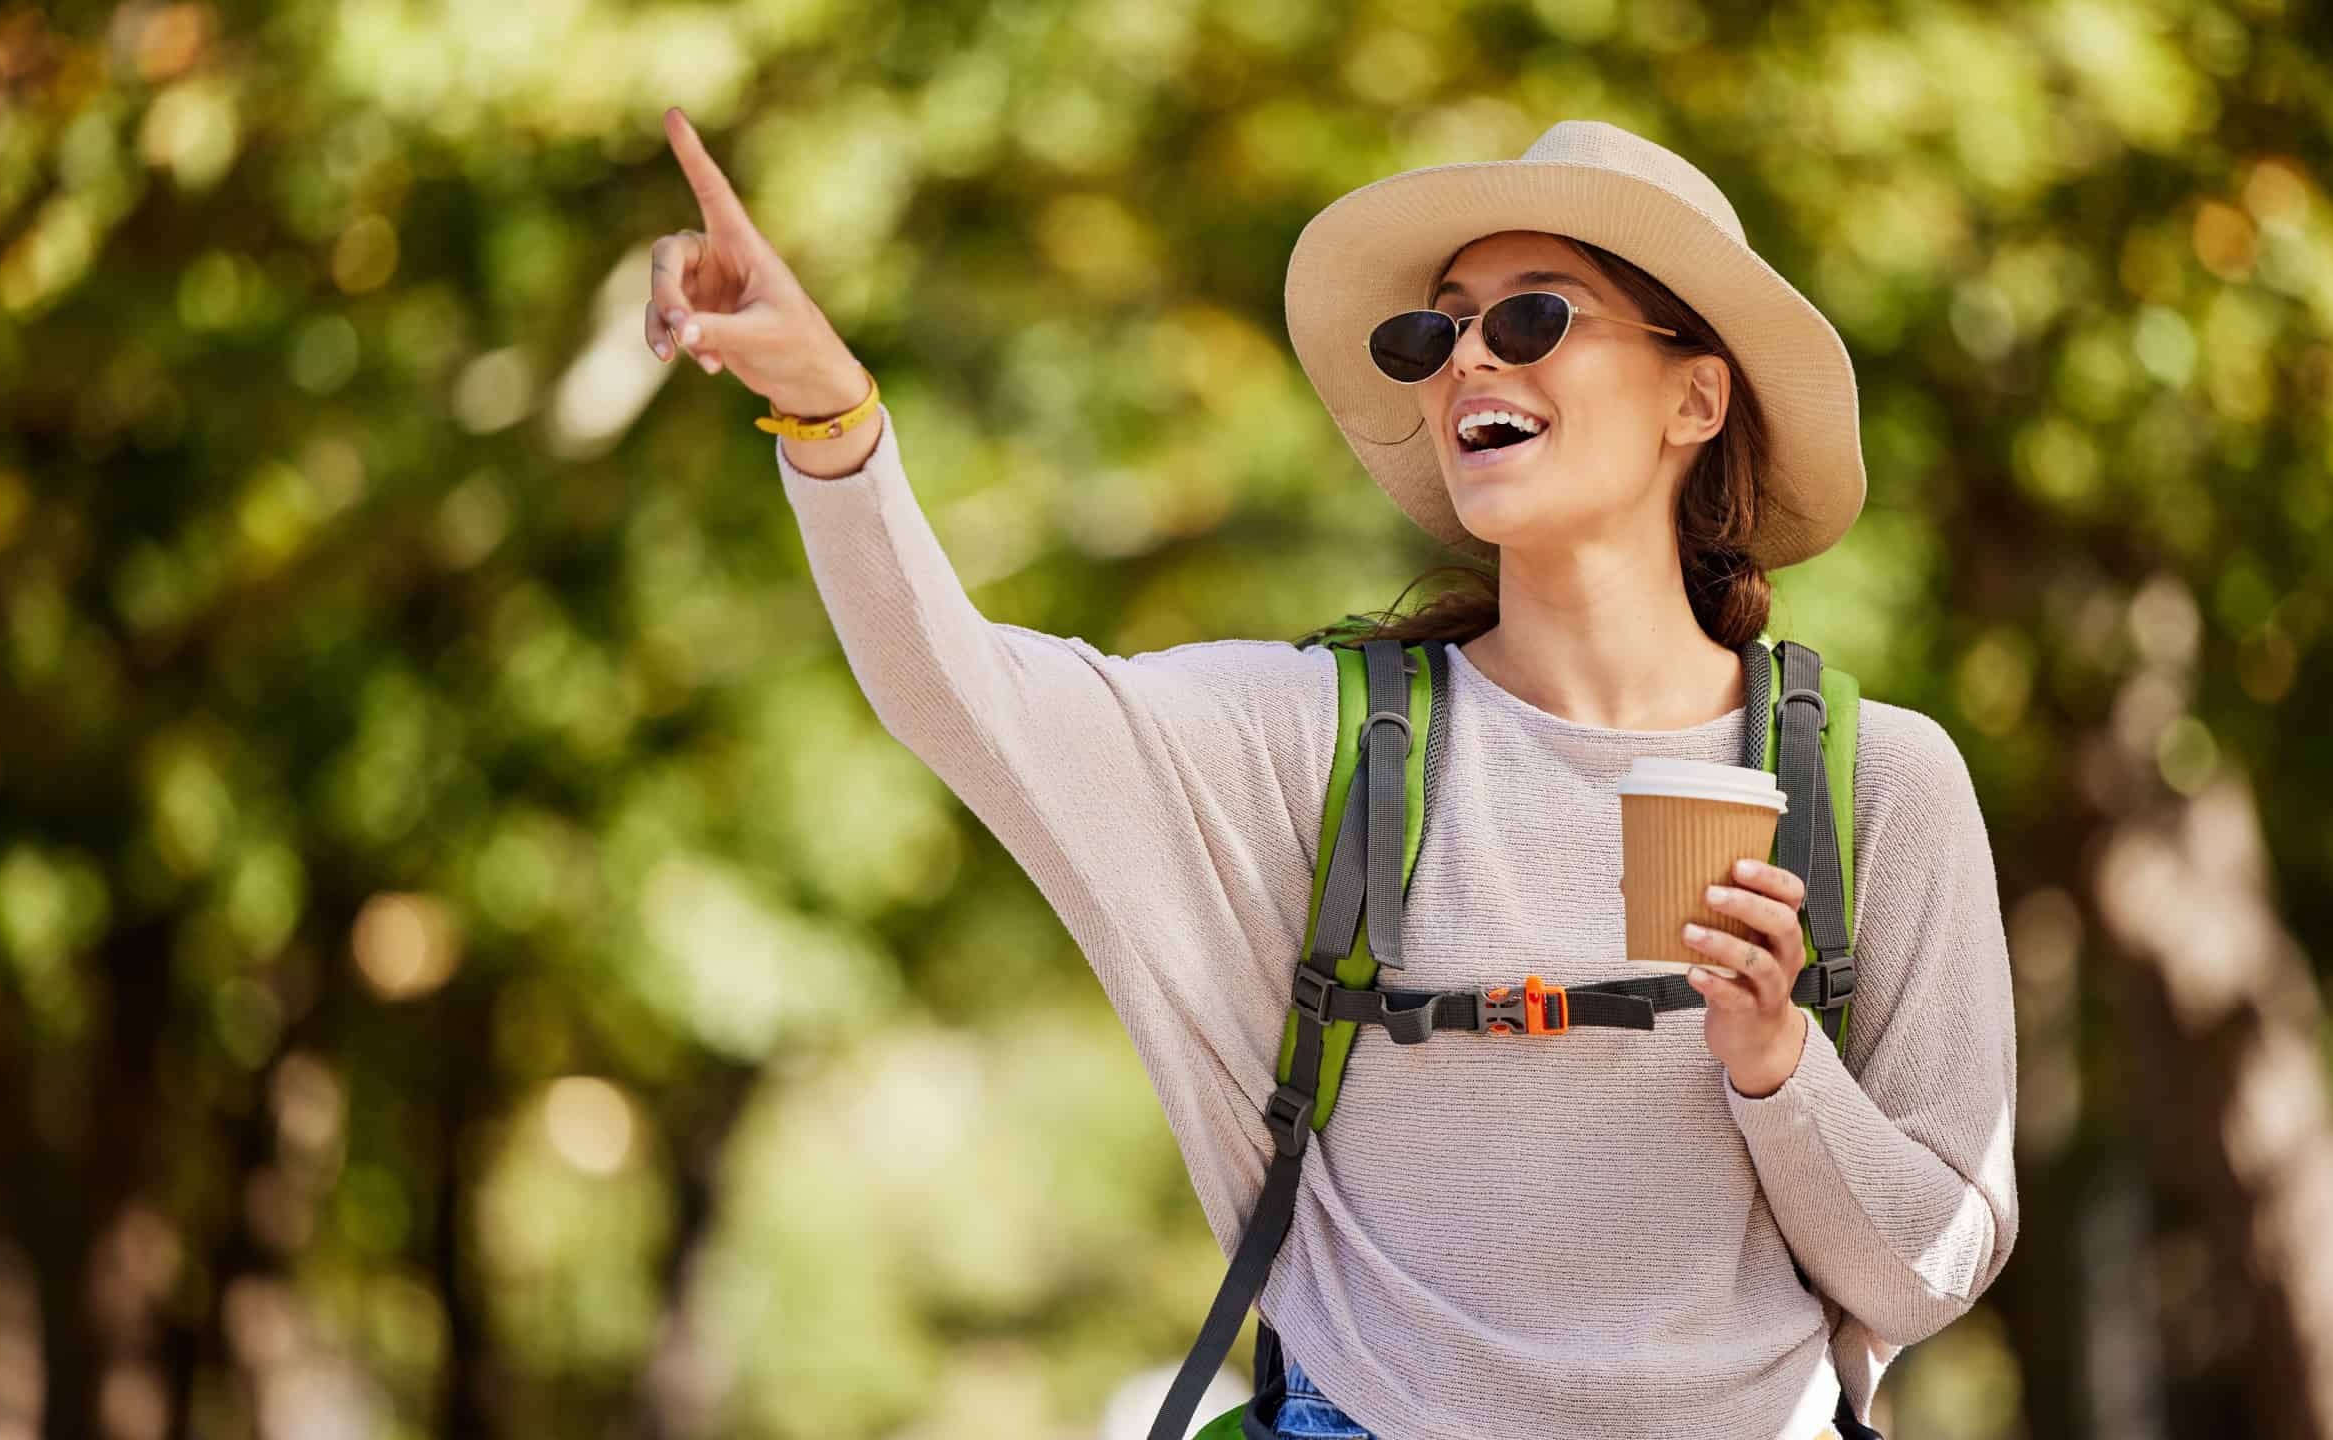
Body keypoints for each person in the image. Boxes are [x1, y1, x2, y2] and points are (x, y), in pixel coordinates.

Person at [644, 108, 2017, 1440]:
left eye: (1534, 315)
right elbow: (964, 696)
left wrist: (1781, 1068)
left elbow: (1928, 1267)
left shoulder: (1880, 784)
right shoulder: (1315, 740)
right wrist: (827, 410)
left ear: (1696, 394)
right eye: (1437, 330)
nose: (1469, 358)